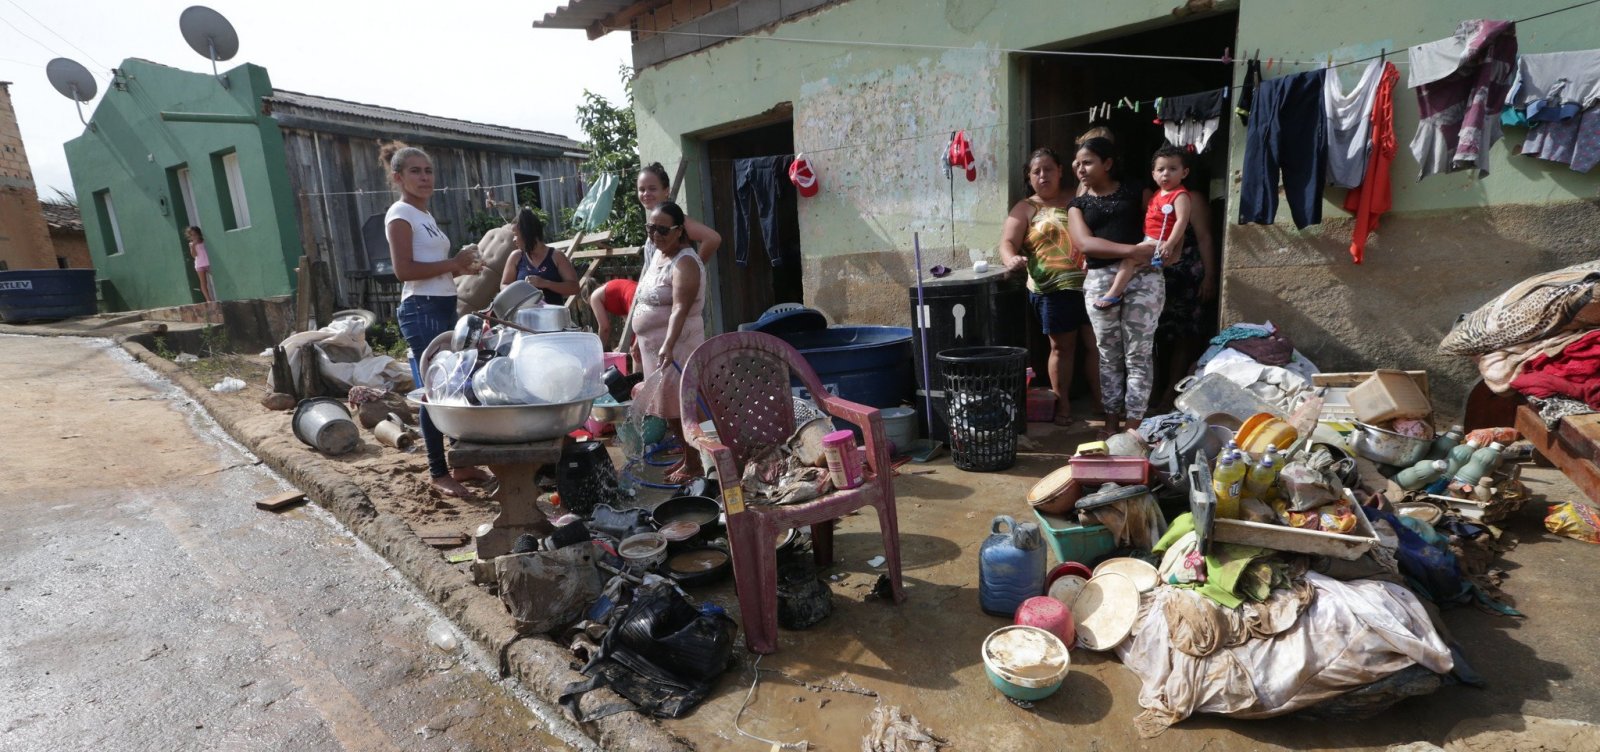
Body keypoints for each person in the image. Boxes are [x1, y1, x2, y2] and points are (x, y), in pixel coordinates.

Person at [383, 141, 489, 498]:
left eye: (427, 171)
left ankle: (460, 464)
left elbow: (437, 266)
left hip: (442, 304)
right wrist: (455, 264)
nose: (424, 177)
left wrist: (464, 266)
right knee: (434, 390)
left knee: (453, 383)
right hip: (421, 308)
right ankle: (438, 471)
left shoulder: (425, 216)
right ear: (398, 177)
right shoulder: (400, 214)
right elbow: (403, 271)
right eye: (415, 171)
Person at [1067, 137, 1164, 438]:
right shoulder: (1077, 204)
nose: (1080, 168)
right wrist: (1132, 251)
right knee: (1108, 354)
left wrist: (1139, 254)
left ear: (1107, 164)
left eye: (1087, 162)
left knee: (1138, 353)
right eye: (1077, 163)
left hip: (1144, 277)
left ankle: (1133, 427)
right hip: (1099, 280)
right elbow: (1085, 244)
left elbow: (1157, 228)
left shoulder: (1137, 191)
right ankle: (1110, 423)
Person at [999, 147, 1101, 426]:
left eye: (1048, 169)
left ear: (1060, 171)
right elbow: (1007, 243)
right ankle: (1063, 404)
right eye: (1036, 171)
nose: (1043, 175)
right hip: (1051, 289)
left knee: (1097, 345)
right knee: (1062, 348)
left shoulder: (1078, 198)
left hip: (1094, 284)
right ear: (1029, 177)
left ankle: (1101, 403)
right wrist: (1012, 260)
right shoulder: (1025, 208)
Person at [631, 201, 707, 484]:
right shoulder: (659, 255)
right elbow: (643, 299)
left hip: (678, 347)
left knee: (682, 407)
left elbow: (679, 308)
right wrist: (637, 339)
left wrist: (669, 343)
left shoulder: (685, 262)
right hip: (656, 349)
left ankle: (696, 462)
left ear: (679, 231)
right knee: (667, 408)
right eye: (651, 228)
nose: (656, 235)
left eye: (663, 230)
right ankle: (688, 458)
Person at [1091, 146, 1192, 310]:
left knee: (1129, 259)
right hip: (1150, 239)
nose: (1166, 173)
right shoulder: (1158, 193)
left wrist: (1170, 244)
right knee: (1135, 265)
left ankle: (1113, 294)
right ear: (1153, 174)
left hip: (1161, 242)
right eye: (1161, 169)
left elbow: (1182, 221)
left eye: (1173, 169)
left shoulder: (1180, 195)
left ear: (1184, 173)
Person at [635, 162, 721, 264]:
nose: (646, 194)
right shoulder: (654, 221)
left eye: (652, 189)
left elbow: (713, 238)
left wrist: (696, 268)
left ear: (666, 191)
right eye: (642, 189)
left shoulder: (674, 220)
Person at [498, 208, 579, 303]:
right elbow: (504, 285)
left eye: (516, 235)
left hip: (551, 314)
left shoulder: (556, 256)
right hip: (524, 314)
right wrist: (520, 292)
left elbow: (575, 288)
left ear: (527, 234)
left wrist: (546, 283)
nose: (514, 240)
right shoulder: (516, 257)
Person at [589, 278, 638, 347]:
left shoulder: (594, 297)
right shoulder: (609, 289)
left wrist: (599, 349)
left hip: (634, 298)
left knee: (637, 348)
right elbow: (628, 328)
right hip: (642, 292)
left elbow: (604, 328)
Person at [186, 226, 215, 304]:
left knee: (216, 277)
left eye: (195, 234)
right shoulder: (191, 244)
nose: (193, 237)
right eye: (191, 235)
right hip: (199, 265)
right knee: (203, 283)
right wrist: (193, 247)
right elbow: (194, 255)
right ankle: (208, 299)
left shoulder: (204, 241)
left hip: (208, 263)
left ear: (198, 234)